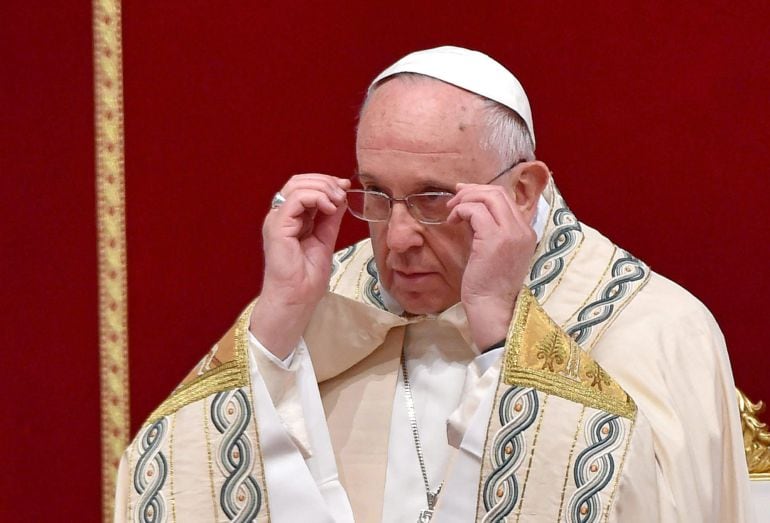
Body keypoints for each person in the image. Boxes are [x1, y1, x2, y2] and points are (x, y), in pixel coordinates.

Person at [114, 46, 754, 522]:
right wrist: (277, 323)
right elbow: (170, 482)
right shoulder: (326, 304)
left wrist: (503, 335)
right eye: (377, 195)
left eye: (433, 199)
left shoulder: (651, 327)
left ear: (523, 190)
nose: (395, 240)